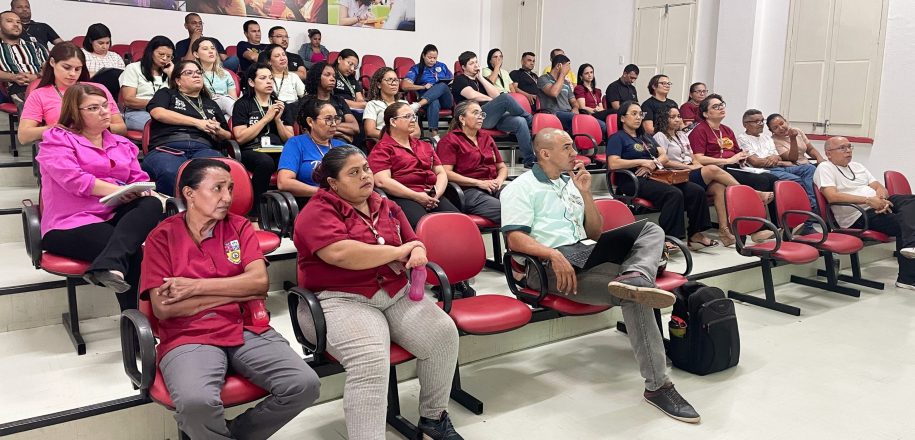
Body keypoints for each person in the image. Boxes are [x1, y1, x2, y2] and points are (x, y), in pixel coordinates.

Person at [501, 127, 700, 424]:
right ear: (544, 153)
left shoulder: (570, 183)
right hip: (546, 266)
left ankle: (634, 274)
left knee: (649, 229)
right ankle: (658, 387)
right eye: (567, 148)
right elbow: (515, 240)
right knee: (634, 297)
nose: (574, 153)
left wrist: (585, 194)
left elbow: (594, 232)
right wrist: (553, 254)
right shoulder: (520, 188)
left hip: (586, 253)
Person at [142, 158, 320, 440]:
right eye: (217, 188)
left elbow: (259, 285)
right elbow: (164, 309)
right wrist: (235, 290)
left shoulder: (239, 227)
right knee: (196, 404)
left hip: (246, 326)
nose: (227, 197)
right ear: (189, 193)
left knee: (304, 384)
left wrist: (195, 288)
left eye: (230, 188)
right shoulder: (161, 238)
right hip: (188, 335)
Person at [294, 146, 463, 440]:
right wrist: (398, 251)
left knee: (443, 334)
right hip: (339, 299)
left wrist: (418, 251)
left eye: (366, 169)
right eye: (354, 172)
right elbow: (342, 254)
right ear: (333, 183)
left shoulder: (385, 205)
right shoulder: (316, 211)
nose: (365, 176)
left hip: (394, 292)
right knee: (370, 359)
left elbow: (414, 241)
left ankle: (434, 417)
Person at [37, 83, 162, 312]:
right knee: (132, 251)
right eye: (94, 108)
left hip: (112, 215)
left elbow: (139, 178)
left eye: (105, 105)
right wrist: (118, 190)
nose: (105, 112)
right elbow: (74, 180)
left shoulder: (121, 143)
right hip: (70, 223)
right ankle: (135, 328)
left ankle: (109, 265)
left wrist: (138, 190)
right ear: (75, 112)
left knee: (151, 203)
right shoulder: (57, 139)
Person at [654, 105, 772, 247]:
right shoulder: (659, 136)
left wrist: (696, 165)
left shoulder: (682, 135)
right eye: (672, 117)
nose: (677, 119)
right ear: (663, 119)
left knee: (718, 187)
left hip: (691, 170)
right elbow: (665, 161)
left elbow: (693, 158)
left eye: (678, 116)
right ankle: (751, 194)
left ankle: (724, 231)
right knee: (713, 169)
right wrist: (690, 166)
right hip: (676, 174)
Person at [607, 101, 714, 249]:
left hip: (655, 174)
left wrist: (653, 163)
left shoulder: (645, 136)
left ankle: (696, 233)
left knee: (696, 191)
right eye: (634, 114)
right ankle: (670, 238)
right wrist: (642, 162)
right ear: (622, 118)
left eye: (640, 114)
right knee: (674, 194)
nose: (639, 117)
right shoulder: (617, 138)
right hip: (633, 179)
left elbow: (664, 155)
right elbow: (613, 163)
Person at [815, 136, 915, 290]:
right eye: (842, 148)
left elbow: (879, 187)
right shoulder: (825, 168)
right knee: (904, 223)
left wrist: (880, 199)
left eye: (849, 147)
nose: (848, 151)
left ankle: (911, 247)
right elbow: (832, 196)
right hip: (857, 214)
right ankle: (907, 279)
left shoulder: (858, 166)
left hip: (875, 205)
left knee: (911, 201)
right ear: (828, 153)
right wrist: (869, 201)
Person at [141, 60, 230, 196]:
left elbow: (228, 135)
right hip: (168, 148)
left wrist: (218, 130)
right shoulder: (167, 94)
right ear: (178, 80)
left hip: (203, 148)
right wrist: (198, 123)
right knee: (172, 172)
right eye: (189, 73)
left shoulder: (210, 103)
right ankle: (174, 213)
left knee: (216, 171)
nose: (196, 76)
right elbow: (158, 113)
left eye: (198, 72)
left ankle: (208, 212)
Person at [368, 102, 459, 227]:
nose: (413, 120)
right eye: (407, 117)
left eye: (414, 116)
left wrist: (436, 193)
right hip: (404, 197)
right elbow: (382, 181)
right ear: (393, 122)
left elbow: (440, 172)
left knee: (459, 223)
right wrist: (417, 196)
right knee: (429, 228)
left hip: (432, 196)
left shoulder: (424, 145)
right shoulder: (382, 149)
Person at [19, 42, 126, 145]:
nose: (72, 74)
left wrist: (94, 127)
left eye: (78, 69)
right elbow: (24, 136)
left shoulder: (97, 89)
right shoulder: (39, 94)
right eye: (66, 67)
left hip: (99, 147)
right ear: (52, 62)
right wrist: (58, 128)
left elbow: (121, 128)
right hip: (62, 149)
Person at [737, 109, 818, 235]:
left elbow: (777, 156)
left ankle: (811, 205)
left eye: (761, 121)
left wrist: (775, 159)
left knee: (809, 169)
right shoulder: (742, 138)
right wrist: (773, 159)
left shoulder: (766, 138)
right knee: (795, 180)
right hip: (761, 171)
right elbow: (755, 162)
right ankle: (805, 220)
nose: (760, 124)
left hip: (777, 166)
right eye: (756, 121)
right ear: (745, 124)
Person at [452, 51, 534, 168]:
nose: (476, 65)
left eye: (476, 62)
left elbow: (496, 94)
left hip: (493, 118)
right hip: (476, 117)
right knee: (506, 98)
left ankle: (529, 160)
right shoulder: (460, 80)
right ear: (464, 67)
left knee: (520, 122)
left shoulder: (482, 79)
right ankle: (531, 121)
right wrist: (494, 101)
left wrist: (481, 78)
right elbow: (473, 95)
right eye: (471, 63)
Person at [232, 62, 293, 214]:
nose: (268, 82)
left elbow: (290, 140)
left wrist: (278, 120)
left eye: (271, 78)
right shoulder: (242, 104)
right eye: (263, 78)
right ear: (252, 82)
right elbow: (240, 138)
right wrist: (266, 118)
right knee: (265, 162)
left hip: (278, 149)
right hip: (251, 150)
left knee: (294, 160)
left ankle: (292, 211)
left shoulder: (281, 105)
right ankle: (255, 213)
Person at [437, 101, 506, 224]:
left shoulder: (486, 138)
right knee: (507, 212)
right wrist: (479, 183)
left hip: (493, 186)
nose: (480, 116)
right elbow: (446, 173)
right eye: (475, 113)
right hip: (468, 190)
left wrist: (499, 180)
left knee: (523, 203)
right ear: (462, 118)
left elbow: (501, 167)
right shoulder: (449, 140)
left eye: (481, 114)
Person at [277, 99, 346, 204]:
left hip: (344, 203)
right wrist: (323, 193)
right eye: (328, 119)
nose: (333, 124)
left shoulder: (343, 147)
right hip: (312, 203)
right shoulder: (296, 144)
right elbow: (284, 182)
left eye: (335, 119)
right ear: (310, 122)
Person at [295, 61, 360, 144]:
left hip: (341, 146)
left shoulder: (339, 100)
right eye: (327, 75)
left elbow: (355, 127)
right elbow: (307, 132)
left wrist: (326, 127)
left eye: (334, 76)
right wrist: (343, 134)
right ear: (317, 77)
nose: (332, 79)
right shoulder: (307, 102)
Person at [118, 35, 174, 131]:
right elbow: (128, 100)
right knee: (162, 126)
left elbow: (179, 97)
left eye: (169, 56)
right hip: (137, 112)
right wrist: (157, 103)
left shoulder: (169, 72)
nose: (165, 58)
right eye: (161, 54)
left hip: (165, 112)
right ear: (150, 52)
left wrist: (171, 75)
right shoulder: (133, 68)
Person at [401, 44, 453, 140]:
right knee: (434, 101)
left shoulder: (442, 66)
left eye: (435, 58)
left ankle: (417, 105)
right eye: (429, 57)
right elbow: (404, 86)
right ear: (423, 55)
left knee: (441, 85)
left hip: (445, 100)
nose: (432, 60)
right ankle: (435, 135)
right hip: (427, 99)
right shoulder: (416, 68)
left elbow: (452, 79)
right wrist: (423, 86)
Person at [0, 10, 47, 101]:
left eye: (18, 22)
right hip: (14, 87)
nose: (16, 24)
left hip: (41, 84)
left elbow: (50, 68)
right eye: (10, 21)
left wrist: (37, 76)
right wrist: (14, 77)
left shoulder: (37, 46)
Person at [363, 66, 418, 140]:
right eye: (389, 80)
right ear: (379, 84)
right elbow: (370, 131)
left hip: (407, 142)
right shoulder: (372, 104)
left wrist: (404, 139)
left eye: (396, 80)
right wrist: (395, 138)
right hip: (386, 142)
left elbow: (417, 131)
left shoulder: (404, 103)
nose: (394, 83)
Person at [175, 13, 239, 72]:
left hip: (215, 68)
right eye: (194, 23)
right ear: (186, 26)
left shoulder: (213, 41)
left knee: (234, 60)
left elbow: (225, 59)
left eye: (200, 23)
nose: (198, 25)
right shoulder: (181, 44)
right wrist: (194, 39)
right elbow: (187, 63)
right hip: (197, 69)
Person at [193, 37, 236, 117]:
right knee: (224, 101)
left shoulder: (225, 73)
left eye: (213, 48)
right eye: (205, 49)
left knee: (228, 115)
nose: (211, 51)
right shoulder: (194, 74)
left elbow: (233, 99)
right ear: (196, 54)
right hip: (204, 107)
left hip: (226, 108)